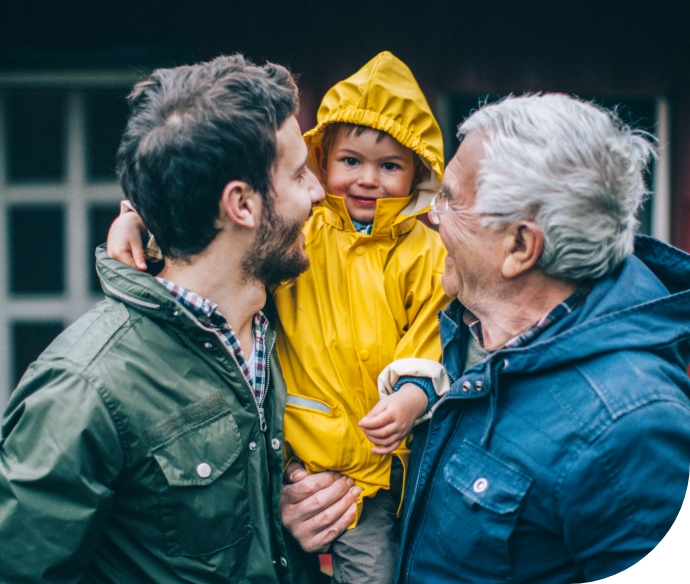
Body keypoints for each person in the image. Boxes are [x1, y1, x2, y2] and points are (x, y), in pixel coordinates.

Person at [282, 93, 690, 583]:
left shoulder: (628, 427)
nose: (432, 215)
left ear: (519, 246)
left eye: (451, 199)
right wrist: (314, 506)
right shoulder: (456, 324)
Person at [107, 51, 451, 584]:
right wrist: (139, 221)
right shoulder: (302, 232)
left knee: (379, 569)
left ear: (418, 172)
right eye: (350, 161)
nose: (367, 180)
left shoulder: (424, 254)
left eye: (390, 166)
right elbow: (210, 228)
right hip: (295, 449)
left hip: (379, 464)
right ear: (323, 160)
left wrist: (412, 394)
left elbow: (429, 332)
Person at [0, 54, 338, 583]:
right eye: (298, 174)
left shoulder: (278, 322)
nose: (319, 192)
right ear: (241, 205)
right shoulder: (83, 389)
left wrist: (280, 518)